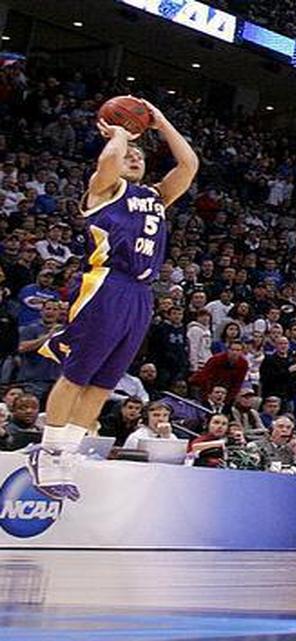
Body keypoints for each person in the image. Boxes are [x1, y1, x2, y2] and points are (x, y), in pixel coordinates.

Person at [33, 98, 198, 500]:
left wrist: (160, 122)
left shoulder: (155, 197)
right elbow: (109, 161)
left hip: (141, 294)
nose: (135, 158)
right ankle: (48, 452)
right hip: (107, 284)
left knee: (104, 382)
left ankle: (66, 456)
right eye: (130, 155)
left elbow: (189, 166)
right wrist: (120, 132)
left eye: (140, 156)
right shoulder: (104, 189)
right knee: (77, 373)